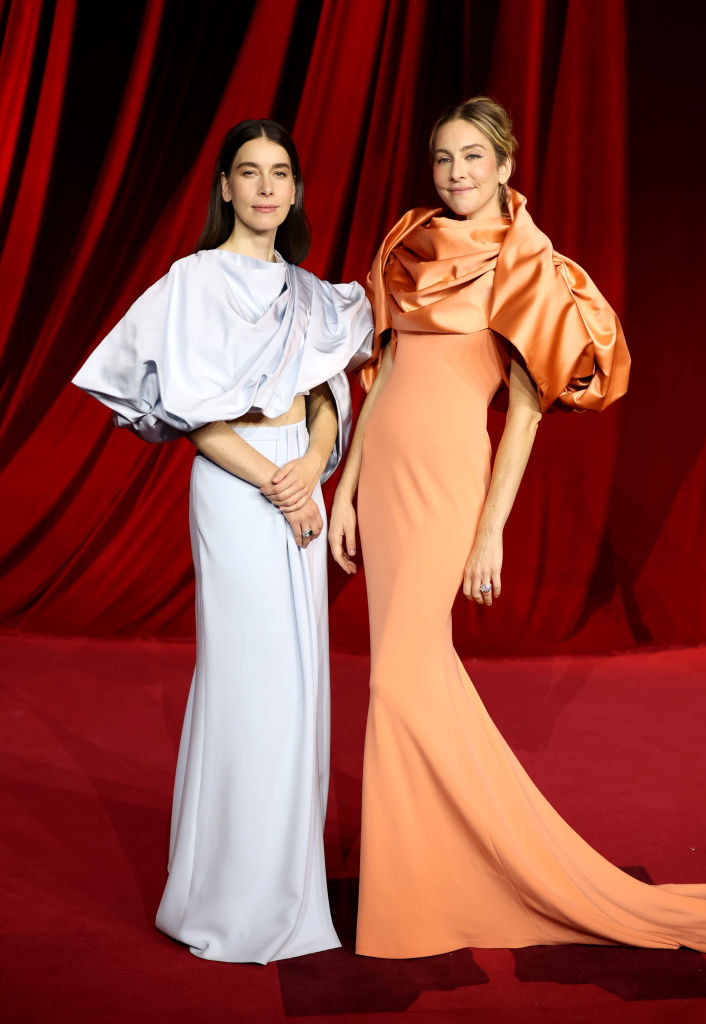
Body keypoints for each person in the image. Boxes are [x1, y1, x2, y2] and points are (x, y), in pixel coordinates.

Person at [329, 96, 706, 958]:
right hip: (383, 467)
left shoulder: (530, 260)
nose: (456, 175)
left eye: (472, 158)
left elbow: (527, 415)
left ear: (506, 165)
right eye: (443, 160)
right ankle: (427, 871)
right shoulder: (410, 239)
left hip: (450, 471)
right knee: (408, 674)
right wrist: (347, 487)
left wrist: (491, 529)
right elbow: (382, 378)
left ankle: (465, 877)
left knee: (400, 677)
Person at [73, 119, 373, 963]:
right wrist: (277, 482)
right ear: (227, 189)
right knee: (251, 682)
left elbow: (327, 394)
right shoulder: (193, 283)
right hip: (237, 485)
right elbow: (193, 414)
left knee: (302, 680)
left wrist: (312, 465)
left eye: (281, 173)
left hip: (298, 481)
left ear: (296, 191)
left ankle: (289, 888)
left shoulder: (311, 294)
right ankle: (228, 900)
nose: (267, 188)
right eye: (251, 173)